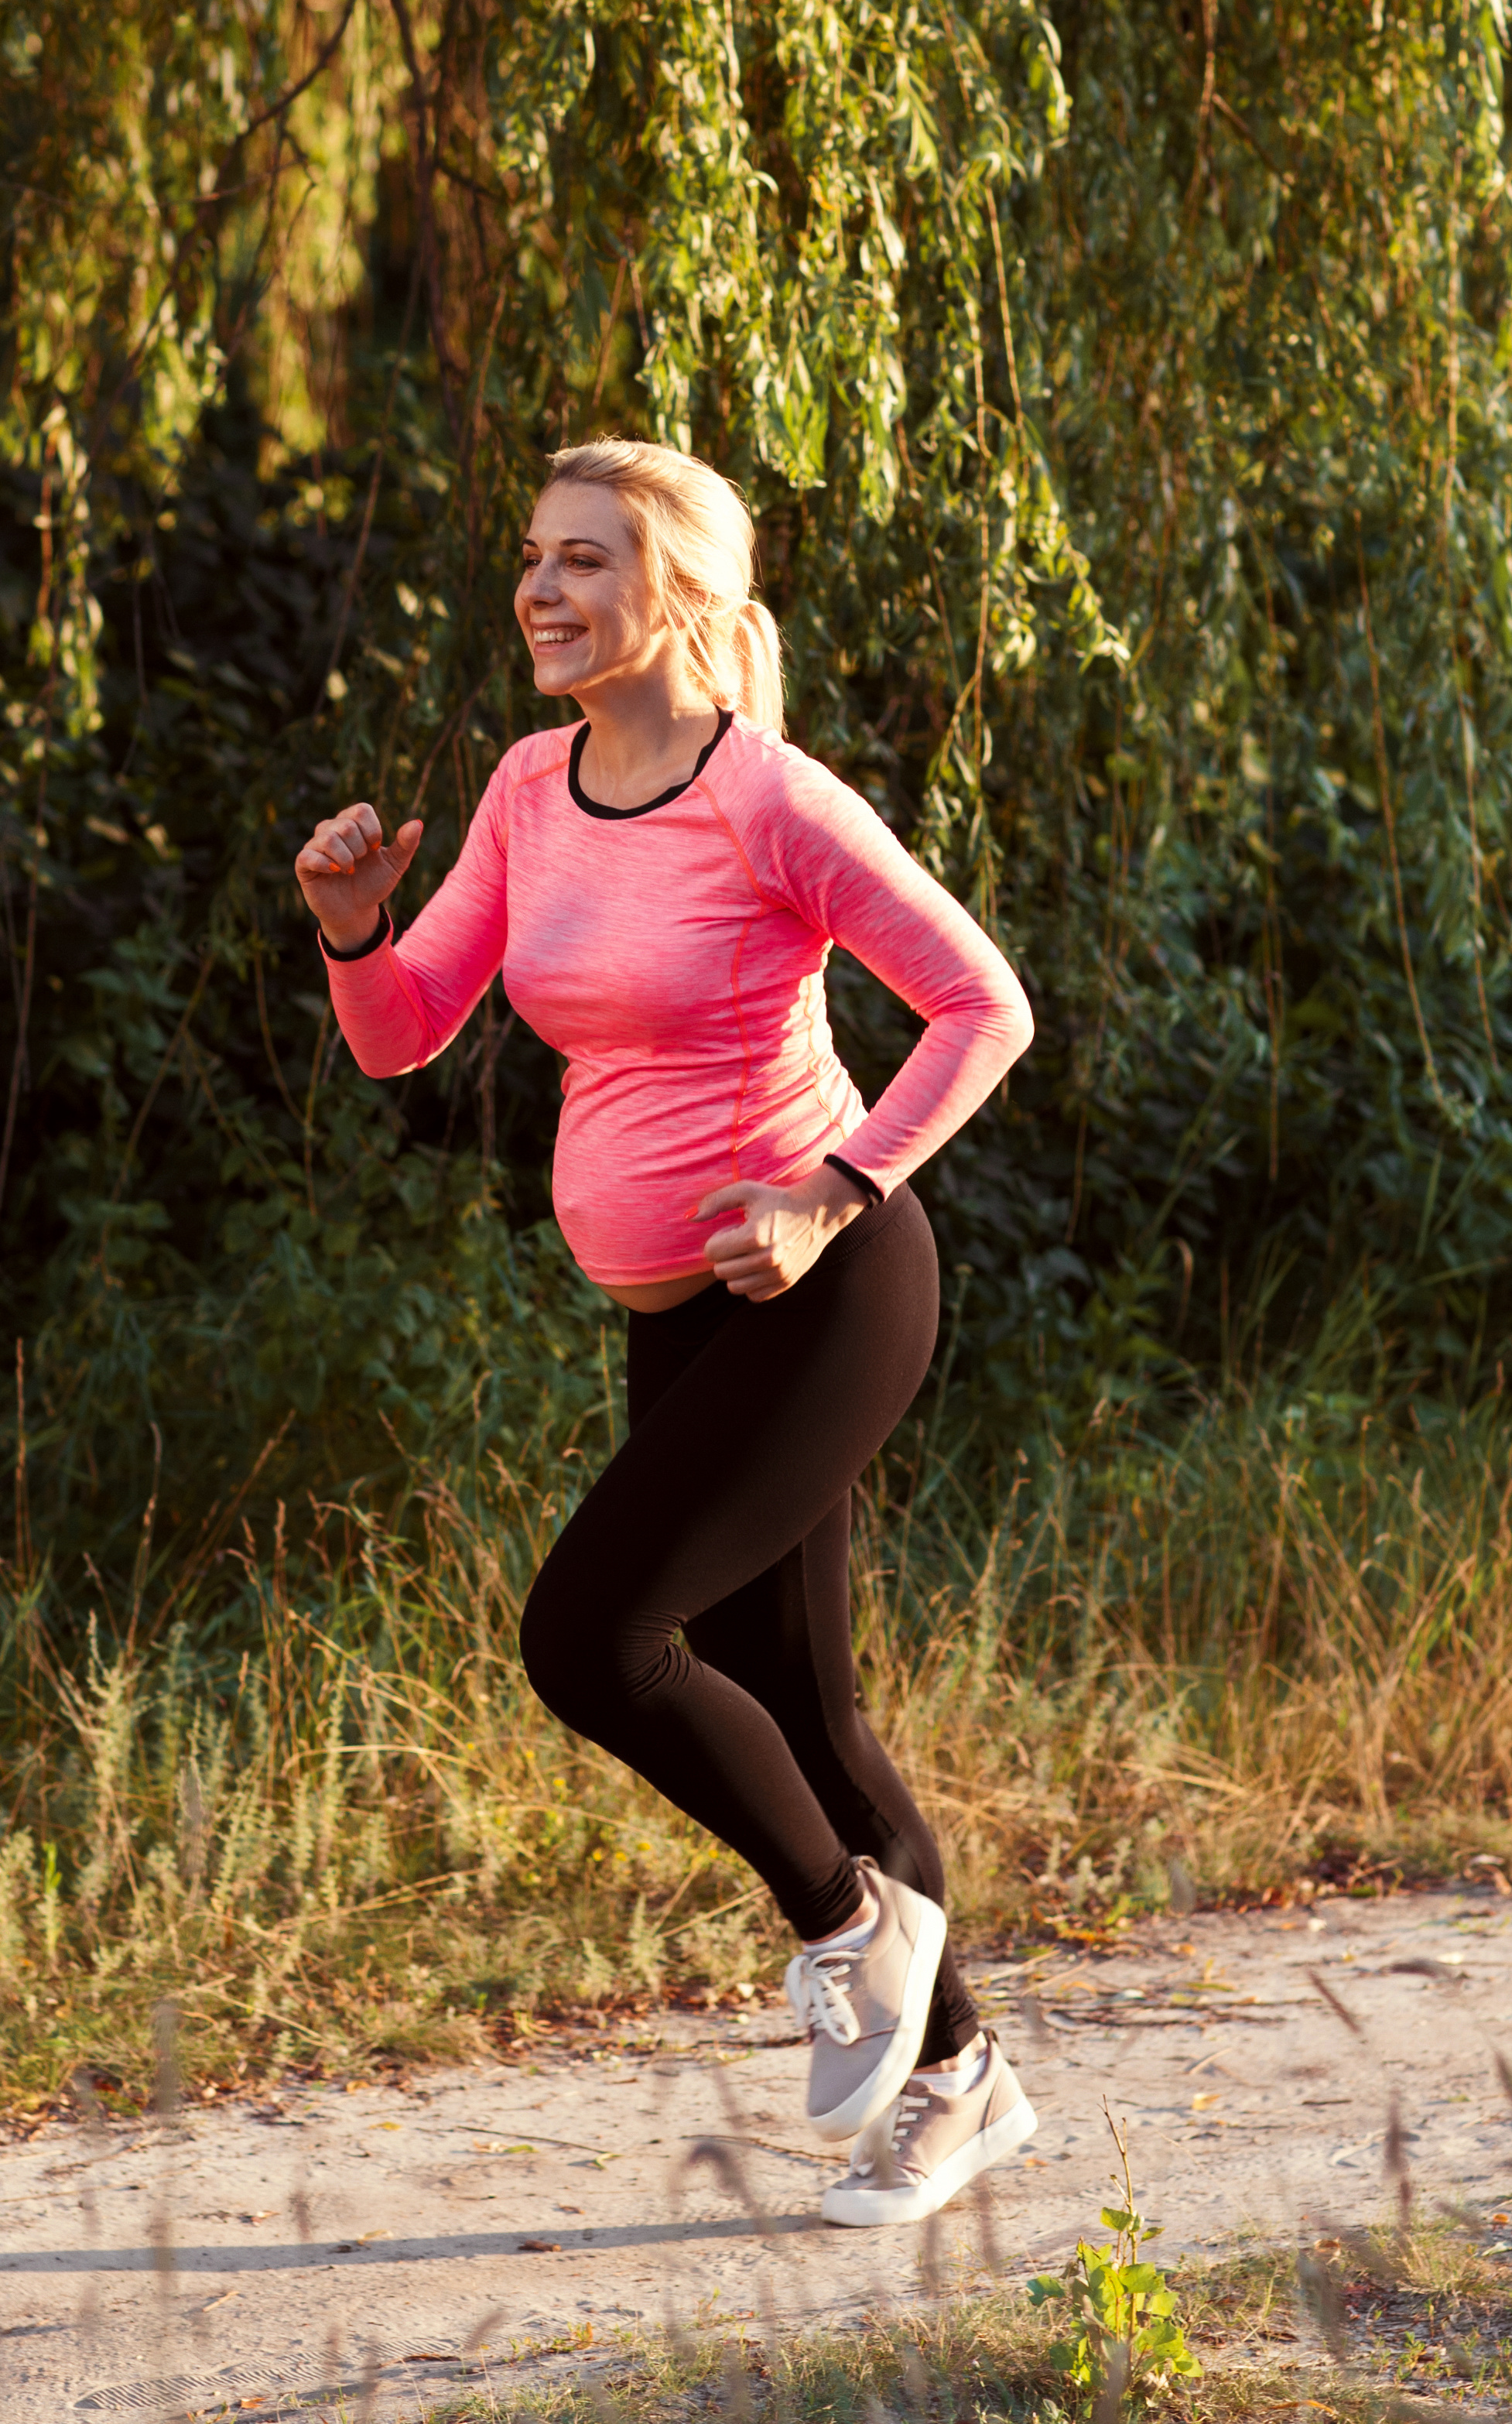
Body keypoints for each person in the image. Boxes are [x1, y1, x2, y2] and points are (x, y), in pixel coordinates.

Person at [292, 438, 1038, 2224]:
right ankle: (962, 2078)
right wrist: (352, 931)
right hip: (673, 1317)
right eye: (534, 558)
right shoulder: (530, 792)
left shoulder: (767, 797)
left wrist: (835, 1189)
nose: (543, 592)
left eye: (585, 563)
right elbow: (407, 1033)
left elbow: (981, 1003)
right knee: (805, 1708)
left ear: (680, 593)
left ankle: (852, 1925)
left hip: (824, 1289)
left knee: (589, 1636)